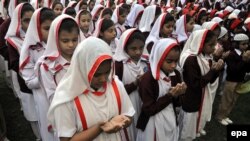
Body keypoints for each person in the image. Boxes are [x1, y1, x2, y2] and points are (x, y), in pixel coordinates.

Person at [47, 37, 135, 141]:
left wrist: (123, 121)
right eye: (97, 74)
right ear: (83, 68)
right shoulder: (67, 97)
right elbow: (66, 139)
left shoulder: (115, 84)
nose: (103, 79)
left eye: (107, 72)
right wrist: (99, 128)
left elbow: (129, 115)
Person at [137, 38, 186, 141]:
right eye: (169, 61)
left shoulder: (175, 74)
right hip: (152, 123)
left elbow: (176, 103)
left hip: (170, 117)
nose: (173, 65)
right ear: (159, 57)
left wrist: (179, 94)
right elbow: (148, 109)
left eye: (176, 61)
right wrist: (169, 96)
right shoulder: (148, 79)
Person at [179, 29, 224, 140]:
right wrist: (213, 71)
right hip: (191, 98)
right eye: (211, 45)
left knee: (195, 121)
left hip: (200, 96)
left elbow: (209, 79)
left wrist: (217, 70)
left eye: (215, 44)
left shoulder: (205, 56)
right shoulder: (191, 59)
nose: (214, 48)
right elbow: (195, 84)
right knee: (188, 126)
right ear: (200, 43)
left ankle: (195, 131)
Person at [5, 3, 41, 140]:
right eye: (26, 20)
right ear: (18, 21)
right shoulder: (13, 40)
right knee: (34, 115)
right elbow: (14, 63)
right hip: (26, 82)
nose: (29, 23)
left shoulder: (40, 34)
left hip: (43, 81)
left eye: (32, 19)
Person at [19, 7, 55, 141]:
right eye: (46, 28)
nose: (51, 32)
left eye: (53, 27)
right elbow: (29, 82)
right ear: (36, 28)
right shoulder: (30, 49)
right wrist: (43, 71)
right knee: (49, 130)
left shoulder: (59, 43)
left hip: (61, 93)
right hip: (43, 96)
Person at [114, 28, 148, 141]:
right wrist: (135, 84)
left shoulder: (145, 62)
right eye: (133, 49)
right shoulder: (119, 64)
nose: (138, 52)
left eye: (141, 48)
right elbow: (116, 91)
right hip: (127, 103)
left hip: (143, 101)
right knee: (129, 130)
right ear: (125, 47)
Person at [37, 14, 79, 105]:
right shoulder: (47, 66)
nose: (71, 45)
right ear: (55, 39)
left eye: (74, 40)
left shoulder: (82, 58)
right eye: (65, 41)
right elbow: (52, 97)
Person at [216, 33, 250, 126]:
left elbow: (246, 69)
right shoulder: (231, 55)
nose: (246, 46)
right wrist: (243, 60)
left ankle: (226, 115)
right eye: (243, 44)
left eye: (247, 44)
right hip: (231, 80)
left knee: (233, 100)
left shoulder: (243, 54)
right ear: (236, 44)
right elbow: (233, 69)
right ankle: (220, 116)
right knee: (227, 99)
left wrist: (247, 61)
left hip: (239, 80)